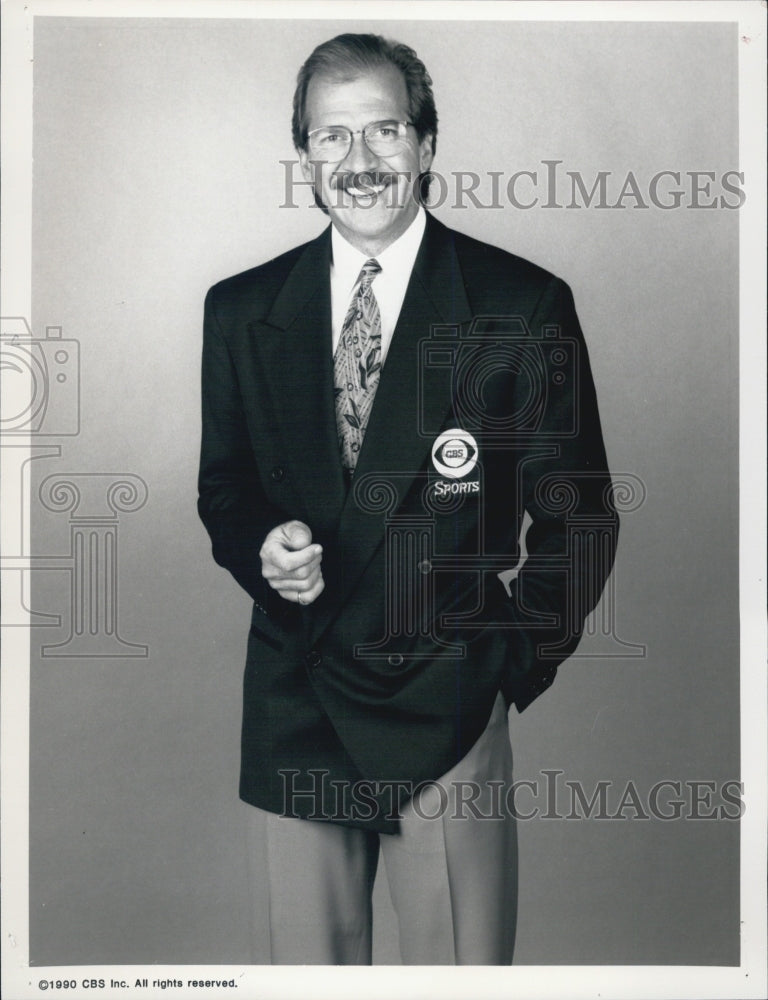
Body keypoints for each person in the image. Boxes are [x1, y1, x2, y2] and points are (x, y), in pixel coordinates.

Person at [198, 32, 618, 965]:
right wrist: (263, 545)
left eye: (384, 131)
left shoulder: (523, 303)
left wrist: (509, 660)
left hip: (449, 700)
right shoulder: (238, 309)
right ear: (303, 154)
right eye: (331, 137)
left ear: (427, 144)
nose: (359, 163)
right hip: (297, 695)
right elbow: (224, 484)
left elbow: (579, 512)